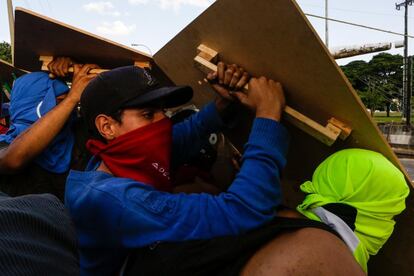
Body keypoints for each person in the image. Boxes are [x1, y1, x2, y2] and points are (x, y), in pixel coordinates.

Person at [65, 63, 363, 276]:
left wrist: (224, 103)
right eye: (147, 114)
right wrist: (268, 116)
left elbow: (189, 132)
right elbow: (243, 210)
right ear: (107, 126)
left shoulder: (120, 156)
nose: (163, 123)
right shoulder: (109, 198)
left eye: (163, 112)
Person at [296, 148, 409, 273]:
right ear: (366, 211)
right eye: (388, 216)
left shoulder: (294, 228)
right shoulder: (336, 265)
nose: (391, 224)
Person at [0, 58, 99, 199]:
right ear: (35, 103)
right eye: (58, 102)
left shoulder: (79, 134)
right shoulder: (5, 143)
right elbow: (13, 160)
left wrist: (85, 72)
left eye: (67, 101)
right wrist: (71, 98)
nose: (67, 110)